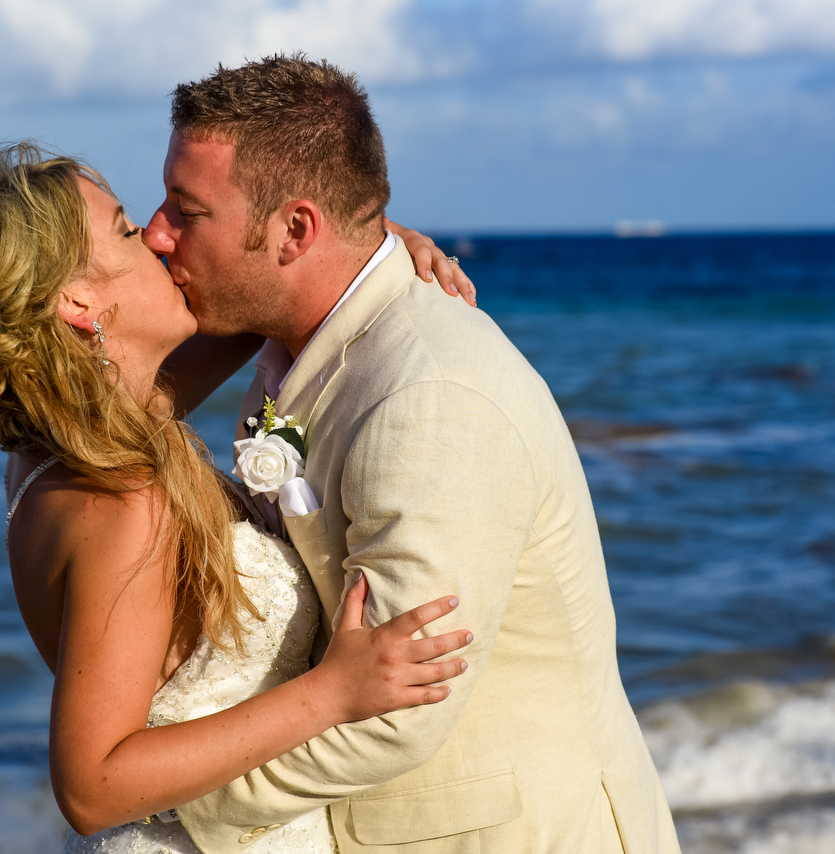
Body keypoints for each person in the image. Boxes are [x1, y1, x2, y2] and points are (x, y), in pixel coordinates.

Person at [140, 55, 682, 853]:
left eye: (186, 211)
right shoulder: (306, 347)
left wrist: (172, 802)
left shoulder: (429, 396)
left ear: (294, 230)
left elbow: (402, 709)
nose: (157, 232)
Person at [0, 143, 479, 854]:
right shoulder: (119, 498)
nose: (157, 237)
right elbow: (91, 787)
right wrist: (334, 693)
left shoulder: (70, 443)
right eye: (127, 230)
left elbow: (268, 299)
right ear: (77, 299)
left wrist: (362, 242)